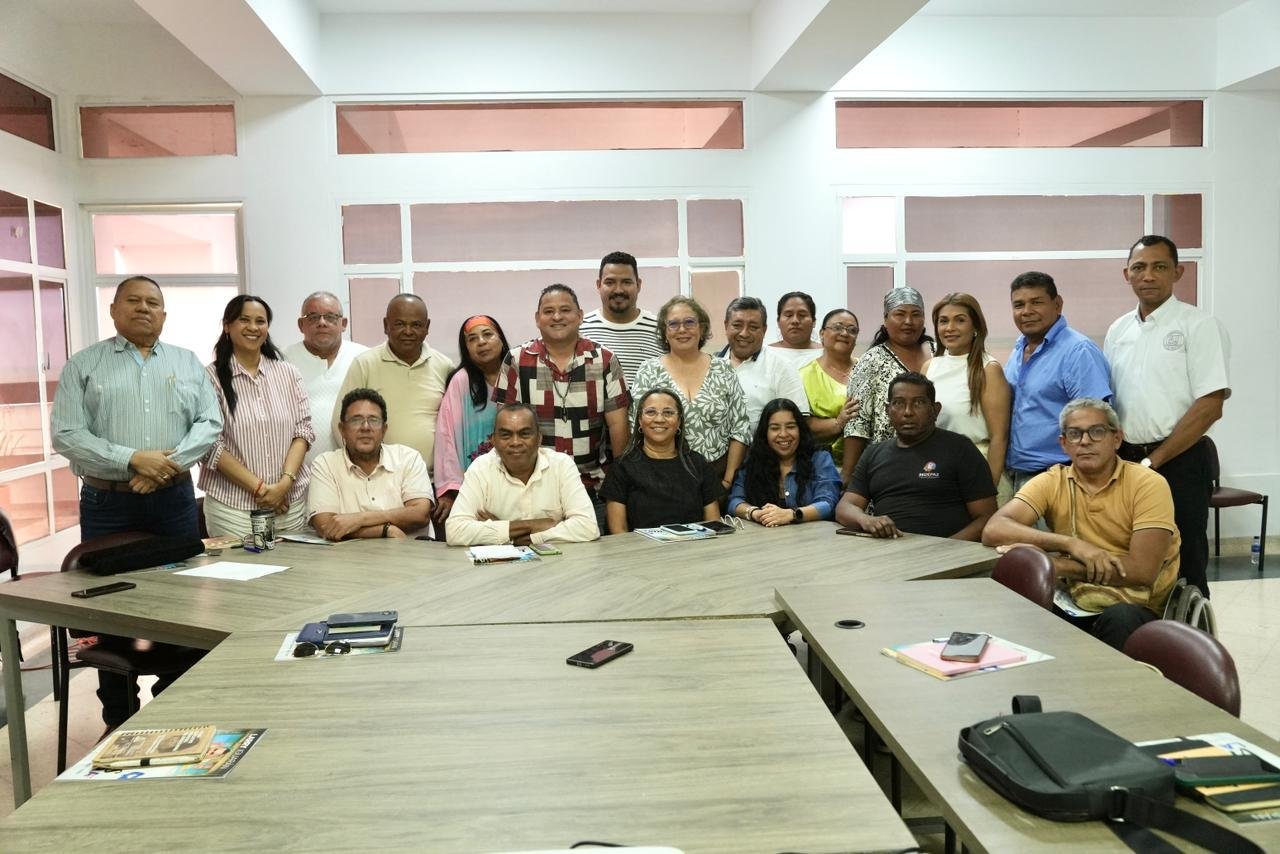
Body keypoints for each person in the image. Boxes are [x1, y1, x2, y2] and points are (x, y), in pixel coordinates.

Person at [51, 274, 222, 732]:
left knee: (183, 602)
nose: (143, 308)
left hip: (174, 503)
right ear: (114, 309)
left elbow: (209, 424)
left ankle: (174, 701)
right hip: (109, 504)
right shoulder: (84, 365)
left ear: (164, 314)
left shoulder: (188, 364)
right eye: (133, 301)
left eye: (153, 303)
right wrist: (132, 462)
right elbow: (66, 434)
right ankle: (118, 716)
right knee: (110, 607)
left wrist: (165, 467)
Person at [983, 398, 1181, 650]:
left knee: (1119, 619)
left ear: (1117, 439)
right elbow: (994, 529)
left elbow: (1141, 571)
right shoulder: (1053, 480)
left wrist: (1057, 565)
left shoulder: (1147, 484)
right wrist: (1071, 544)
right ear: (1064, 444)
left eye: (1097, 432)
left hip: (1136, 603)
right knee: (1022, 607)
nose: (1085, 441)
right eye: (1075, 434)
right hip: (1073, 595)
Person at [1105, 235, 1230, 598]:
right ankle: (1141, 641)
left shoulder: (1199, 324)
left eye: (1159, 267)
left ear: (1178, 272)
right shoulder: (1118, 330)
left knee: (1186, 557)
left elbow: (1210, 405)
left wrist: (1154, 460)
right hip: (1127, 460)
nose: (1148, 275)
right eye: (1139, 267)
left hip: (1180, 461)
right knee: (1133, 558)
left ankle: (1194, 648)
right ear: (1126, 274)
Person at [492, 284, 630, 529]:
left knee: (592, 562)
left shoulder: (604, 360)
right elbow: (504, 427)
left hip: (593, 489)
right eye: (549, 311)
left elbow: (619, 427)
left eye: (565, 310)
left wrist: (619, 486)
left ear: (580, 315)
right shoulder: (516, 360)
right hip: (534, 490)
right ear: (537, 319)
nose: (557, 317)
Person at [200, 295, 314, 537]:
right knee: (240, 574)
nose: (253, 327)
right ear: (227, 326)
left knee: (295, 574)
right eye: (244, 320)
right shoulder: (209, 378)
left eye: (260, 321)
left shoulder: (288, 373)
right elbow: (210, 445)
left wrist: (283, 486)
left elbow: (303, 431)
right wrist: (263, 491)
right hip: (233, 510)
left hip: (288, 505)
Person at [836, 371, 996, 540]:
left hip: (947, 554)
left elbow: (986, 518)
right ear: (887, 410)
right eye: (898, 403)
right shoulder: (874, 454)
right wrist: (866, 520)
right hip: (887, 552)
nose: (908, 412)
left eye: (918, 403)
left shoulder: (960, 449)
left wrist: (946, 549)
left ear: (935, 410)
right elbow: (845, 507)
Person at [1004, 271, 1113, 494]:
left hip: (1063, 477)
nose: (1027, 312)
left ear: (1058, 304)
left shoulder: (1077, 351)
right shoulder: (1019, 349)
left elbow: (1094, 424)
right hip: (1019, 474)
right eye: (1019, 305)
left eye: (1036, 302)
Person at [631, 296, 752, 496]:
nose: (682, 329)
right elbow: (635, 425)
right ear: (664, 331)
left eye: (689, 322)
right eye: (673, 324)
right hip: (660, 478)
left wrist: (728, 480)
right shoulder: (648, 370)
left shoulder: (723, 369)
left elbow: (740, 427)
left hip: (717, 477)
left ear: (702, 328)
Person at [446, 404, 601, 546]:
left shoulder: (561, 465)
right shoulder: (481, 469)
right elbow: (455, 531)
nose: (515, 442)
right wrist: (534, 525)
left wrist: (508, 532)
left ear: (539, 438)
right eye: (506, 435)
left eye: (524, 434)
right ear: (493, 440)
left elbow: (588, 527)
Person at [335, 293, 454, 474]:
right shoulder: (365, 364)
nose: (408, 331)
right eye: (399, 324)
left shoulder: (444, 366)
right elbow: (341, 422)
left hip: (431, 480)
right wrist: (361, 469)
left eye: (416, 325)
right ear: (385, 325)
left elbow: (453, 427)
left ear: (427, 327)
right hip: (377, 478)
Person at [308, 387, 434, 540]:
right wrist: (385, 530)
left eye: (373, 420)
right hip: (347, 559)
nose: (365, 427)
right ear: (342, 429)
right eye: (356, 420)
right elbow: (326, 526)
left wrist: (360, 519)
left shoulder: (408, 458)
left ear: (384, 429)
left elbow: (420, 514)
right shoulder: (325, 464)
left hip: (411, 556)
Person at [841, 286, 934, 484]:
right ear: (885, 320)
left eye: (916, 314)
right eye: (900, 314)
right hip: (888, 466)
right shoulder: (870, 361)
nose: (908, 321)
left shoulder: (939, 352)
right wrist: (848, 478)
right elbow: (857, 424)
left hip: (937, 463)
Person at [923, 293, 1011, 489]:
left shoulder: (989, 369)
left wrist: (988, 489)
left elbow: (999, 437)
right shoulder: (929, 367)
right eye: (943, 321)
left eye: (960, 320)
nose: (950, 328)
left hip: (979, 467)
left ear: (976, 327)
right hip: (938, 469)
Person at [601, 389, 721, 532]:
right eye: (651, 412)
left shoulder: (698, 464)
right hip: (640, 552)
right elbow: (618, 534)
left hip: (694, 551)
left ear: (679, 422)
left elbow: (713, 527)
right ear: (639, 420)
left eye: (668, 413)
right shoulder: (621, 467)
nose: (659, 419)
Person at [433, 315, 512, 531]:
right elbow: (446, 435)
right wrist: (452, 490)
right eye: (472, 339)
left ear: (501, 340)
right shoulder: (462, 380)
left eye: (487, 335)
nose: (481, 342)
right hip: (472, 485)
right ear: (466, 348)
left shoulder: (518, 375)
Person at [281, 291, 368, 467]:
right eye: (313, 317)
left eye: (330, 317)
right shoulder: (282, 360)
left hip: (355, 470)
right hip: (298, 474)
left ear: (343, 324)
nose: (322, 323)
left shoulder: (364, 357)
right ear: (301, 324)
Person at [729, 398, 842, 526]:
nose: (783, 434)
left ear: (800, 430)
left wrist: (792, 514)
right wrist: (754, 513)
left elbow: (828, 504)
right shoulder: (754, 460)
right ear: (765, 433)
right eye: (775, 428)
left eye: (790, 427)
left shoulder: (819, 459)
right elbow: (735, 501)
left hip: (812, 541)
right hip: (765, 539)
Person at [716, 296, 810, 429]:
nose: (744, 333)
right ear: (726, 326)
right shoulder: (709, 365)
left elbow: (798, 422)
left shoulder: (782, 366)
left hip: (762, 449)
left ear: (764, 330)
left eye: (753, 327)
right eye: (737, 325)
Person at [579, 250, 664, 387]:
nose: (618, 290)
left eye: (626, 282)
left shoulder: (661, 329)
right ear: (598, 285)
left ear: (639, 285)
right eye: (610, 282)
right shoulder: (580, 329)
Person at [800, 309, 861, 469]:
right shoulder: (804, 375)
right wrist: (839, 422)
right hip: (819, 466)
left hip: (866, 464)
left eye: (852, 330)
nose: (845, 333)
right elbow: (800, 425)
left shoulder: (867, 368)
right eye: (838, 327)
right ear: (821, 334)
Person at [767, 291, 824, 369]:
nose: (795, 321)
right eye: (788, 315)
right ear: (778, 322)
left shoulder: (826, 354)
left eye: (802, 315)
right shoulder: (766, 354)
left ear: (814, 322)